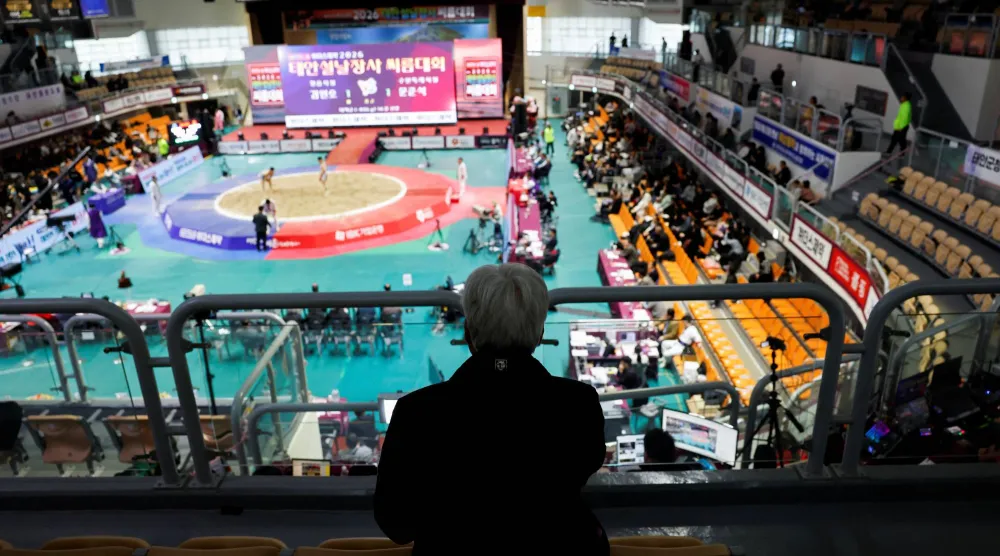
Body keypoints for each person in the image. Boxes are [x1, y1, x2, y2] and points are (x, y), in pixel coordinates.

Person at [374, 264, 609, 555]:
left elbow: (396, 525)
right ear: (539, 334)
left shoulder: (416, 412)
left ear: (468, 333)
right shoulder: (579, 404)